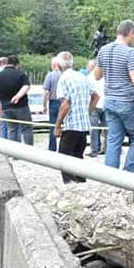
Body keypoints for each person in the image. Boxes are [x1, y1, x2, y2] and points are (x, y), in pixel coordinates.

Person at [93, 19, 134, 173]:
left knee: (114, 139)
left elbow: (96, 75)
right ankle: (127, 173)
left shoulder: (104, 50)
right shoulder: (130, 53)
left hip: (109, 100)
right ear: (131, 33)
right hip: (127, 102)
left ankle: (111, 176)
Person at [54, 51, 99, 183]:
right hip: (84, 126)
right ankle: (81, 182)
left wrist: (57, 126)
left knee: (63, 157)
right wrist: (87, 112)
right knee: (78, 156)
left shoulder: (63, 79)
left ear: (58, 66)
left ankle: (70, 184)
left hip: (71, 125)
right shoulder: (82, 76)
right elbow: (96, 97)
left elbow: (65, 105)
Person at [0, 54, 33, 145]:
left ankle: (14, 155)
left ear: (6, 64)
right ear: (16, 65)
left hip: (6, 108)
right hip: (21, 107)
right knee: (27, 128)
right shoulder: (21, 74)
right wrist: (18, 96)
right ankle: (30, 152)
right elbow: (26, 86)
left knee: (12, 129)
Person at [87, 59, 107, 157]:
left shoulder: (89, 78)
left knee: (94, 129)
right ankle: (106, 149)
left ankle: (94, 150)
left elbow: (89, 94)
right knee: (107, 129)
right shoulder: (105, 76)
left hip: (94, 105)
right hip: (105, 105)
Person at [42, 56, 62, 152]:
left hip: (53, 103)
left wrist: (44, 105)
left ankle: (52, 148)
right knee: (65, 126)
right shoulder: (64, 75)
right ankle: (63, 147)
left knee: (53, 126)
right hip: (64, 102)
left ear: (54, 65)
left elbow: (46, 92)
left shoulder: (50, 76)